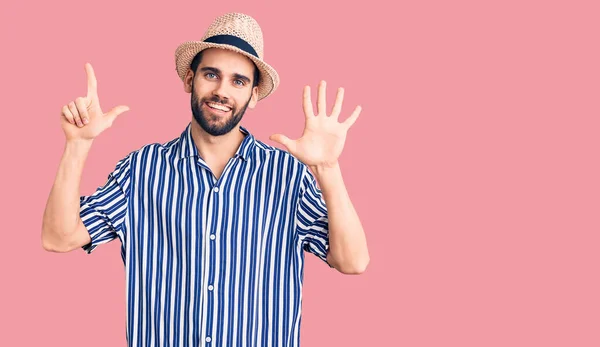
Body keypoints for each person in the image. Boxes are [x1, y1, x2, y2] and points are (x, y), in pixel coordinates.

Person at [41, 12, 369, 347]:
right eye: (211, 74)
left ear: (254, 95)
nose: (221, 91)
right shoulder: (141, 171)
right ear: (189, 79)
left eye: (238, 81)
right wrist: (77, 145)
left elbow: (353, 261)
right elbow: (58, 237)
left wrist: (328, 168)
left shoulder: (287, 175)